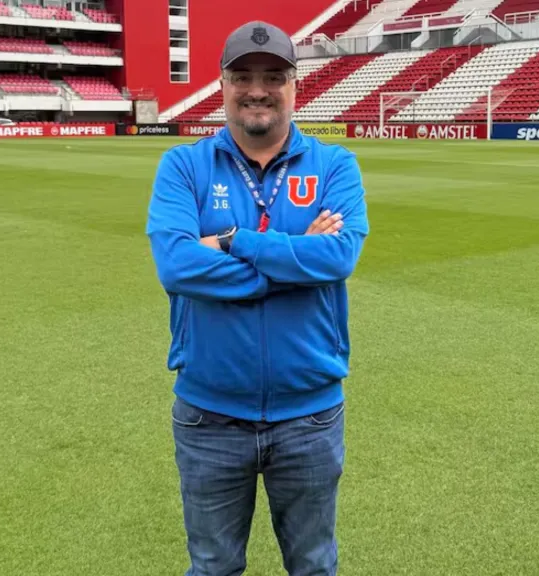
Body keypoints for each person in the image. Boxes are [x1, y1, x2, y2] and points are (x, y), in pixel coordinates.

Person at [146, 19, 369, 576]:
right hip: (210, 417)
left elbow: (338, 258)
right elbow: (176, 266)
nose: (257, 88)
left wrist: (230, 242)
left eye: (274, 75)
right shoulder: (183, 165)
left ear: (295, 85)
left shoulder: (335, 165)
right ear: (223, 83)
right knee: (213, 568)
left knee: (314, 566)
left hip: (310, 416)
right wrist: (294, 260)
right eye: (243, 75)